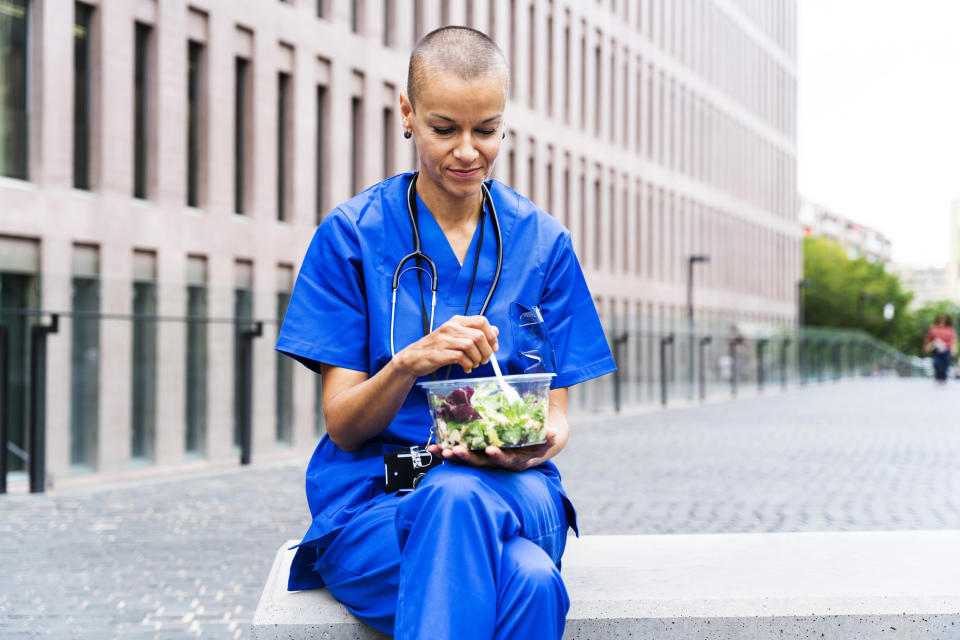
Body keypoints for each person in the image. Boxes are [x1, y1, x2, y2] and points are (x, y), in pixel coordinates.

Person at [275, 26, 616, 640]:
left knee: (460, 494)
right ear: (407, 113)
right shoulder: (352, 236)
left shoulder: (544, 244)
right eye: (444, 128)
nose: (467, 151)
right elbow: (344, 424)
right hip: (380, 499)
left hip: (515, 489)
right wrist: (409, 363)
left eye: (486, 129)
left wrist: (529, 447)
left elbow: (556, 418)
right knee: (531, 583)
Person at [923, 313, 956, 383]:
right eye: (941, 318)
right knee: (936, 363)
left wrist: (954, 349)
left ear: (947, 320)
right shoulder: (933, 327)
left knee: (945, 364)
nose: (942, 320)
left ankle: (943, 378)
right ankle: (938, 377)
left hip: (946, 349)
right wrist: (926, 346)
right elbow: (928, 338)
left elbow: (953, 339)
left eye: (944, 318)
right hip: (936, 348)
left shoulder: (950, 328)